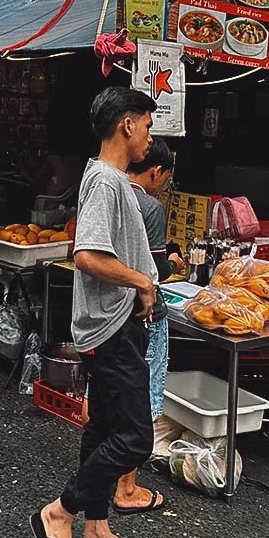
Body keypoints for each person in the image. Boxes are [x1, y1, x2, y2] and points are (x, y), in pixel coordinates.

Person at [30, 86, 159, 538]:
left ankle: (97, 532)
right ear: (127, 124)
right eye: (147, 124)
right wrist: (142, 281)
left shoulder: (109, 179)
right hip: (111, 328)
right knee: (133, 439)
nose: (150, 136)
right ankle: (59, 513)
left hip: (112, 324)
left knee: (105, 428)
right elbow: (87, 255)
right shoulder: (105, 181)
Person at [113, 137, 178, 515]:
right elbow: (153, 270)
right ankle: (127, 486)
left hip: (111, 313)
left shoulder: (109, 193)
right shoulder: (149, 206)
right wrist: (174, 261)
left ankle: (104, 468)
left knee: (109, 393)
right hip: (144, 313)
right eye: (165, 180)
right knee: (144, 398)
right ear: (156, 171)